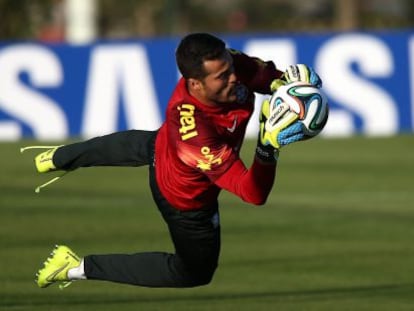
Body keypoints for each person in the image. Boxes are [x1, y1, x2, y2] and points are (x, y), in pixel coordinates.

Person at [29, 33, 321, 289]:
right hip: (184, 198)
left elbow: (264, 77)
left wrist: (290, 83)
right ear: (195, 84)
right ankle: (74, 266)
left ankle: (58, 157)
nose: (233, 77)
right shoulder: (194, 136)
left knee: (149, 143)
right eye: (222, 77)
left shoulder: (227, 64)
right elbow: (253, 193)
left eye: (230, 68)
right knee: (194, 273)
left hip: (164, 144)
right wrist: (268, 145)